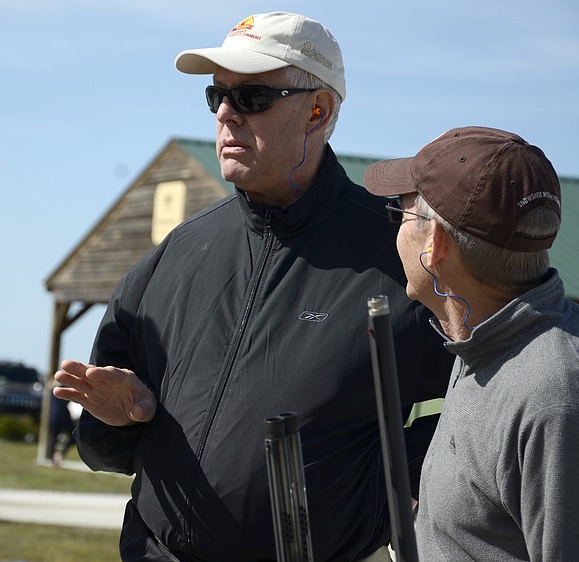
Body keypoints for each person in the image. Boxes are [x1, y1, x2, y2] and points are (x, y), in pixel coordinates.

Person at [54, 12, 452, 561]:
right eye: (216, 95)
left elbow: (489, 401)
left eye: (252, 97)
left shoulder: (398, 257)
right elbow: (105, 450)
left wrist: (378, 496)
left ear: (319, 110)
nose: (225, 114)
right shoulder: (174, 256)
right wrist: (124, 418)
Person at [363, 125, 579, 560]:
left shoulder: (559, 400)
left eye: (401, 211)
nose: (395, 226)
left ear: (435, 245)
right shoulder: (484, 334)